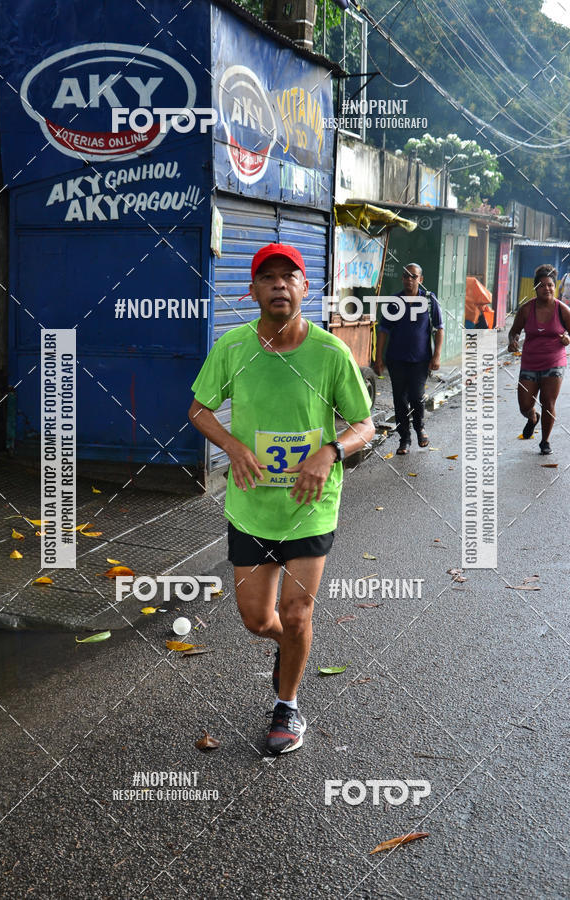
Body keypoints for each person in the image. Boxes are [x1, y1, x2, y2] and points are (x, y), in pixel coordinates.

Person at [188, 243, 374, 755]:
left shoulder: (330, 353)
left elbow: (365, 424)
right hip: (251, 505)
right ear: (252, 291)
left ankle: (287, 706)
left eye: (288, 276)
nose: (278, 285)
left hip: (310, 504)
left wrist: (331, 451)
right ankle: (290, 648)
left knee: (296, 613)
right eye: (266, 277)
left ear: (304, 288)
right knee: (257, 619)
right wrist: (232, 446)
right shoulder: (232, 348)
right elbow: (199, 409)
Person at [373, 263, 444, 455]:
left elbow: (439, 328)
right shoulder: (394, 301)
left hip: (420, 360)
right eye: (405, 276)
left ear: (420, 279)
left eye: (413, 276)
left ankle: (419, 427)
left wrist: (436, 355)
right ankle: (404, 438)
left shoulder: (429, 300)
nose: (409, 279)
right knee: (399, 400)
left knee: (416, 396)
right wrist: (378, 358)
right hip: (396, 359)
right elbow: (383, 330)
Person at [508, 264, 570, 455]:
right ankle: (532, 417)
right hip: (530, 363)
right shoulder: (526, 310)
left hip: (555, 362)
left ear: (555, 286)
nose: (547, 288)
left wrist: (568, 338)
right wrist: (513, 341)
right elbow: (514, 332)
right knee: (524, 404)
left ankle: (545, 442)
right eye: (542, 285)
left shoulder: (563, 310)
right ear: (536, 288)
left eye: (550, 285)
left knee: (548, 402)